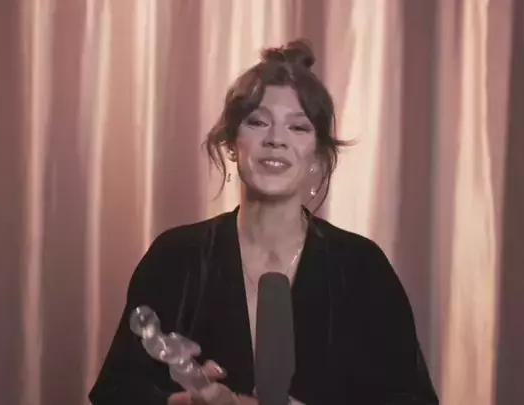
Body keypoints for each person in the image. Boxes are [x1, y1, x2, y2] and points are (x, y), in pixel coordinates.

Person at [89, 39, 439, 405]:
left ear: (319, 156)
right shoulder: (176, 257)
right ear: (231, 143)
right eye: (258, 122)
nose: (275, 140)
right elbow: (116, 394)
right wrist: (179, 404)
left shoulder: (361, 266)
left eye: (298, 128)